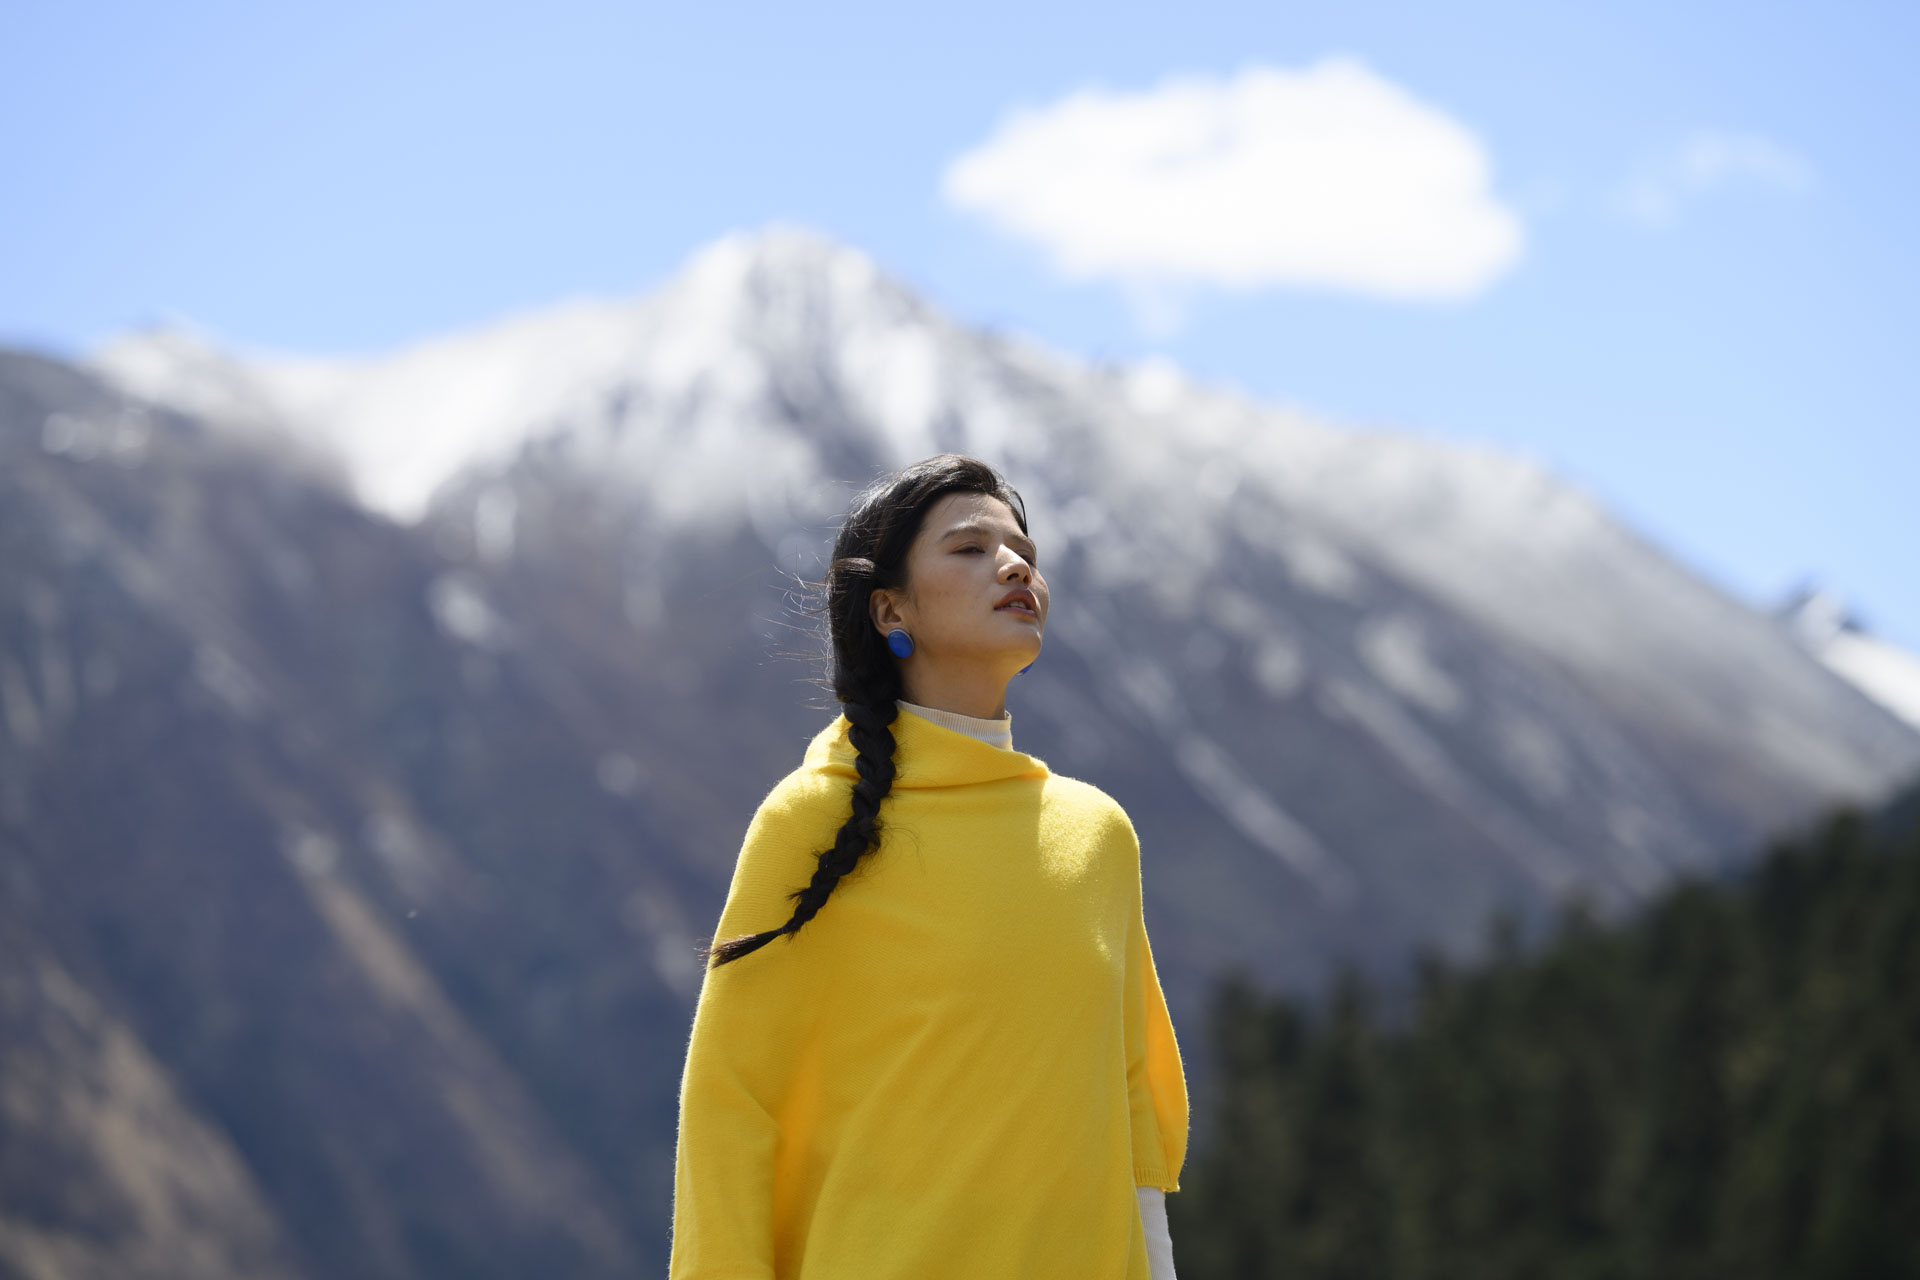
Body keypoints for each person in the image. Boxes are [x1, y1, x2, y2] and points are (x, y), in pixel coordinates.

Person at [668, 453, 1187, 1278]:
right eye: (970, 549)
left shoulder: (1097, 837)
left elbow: (1131, 1120)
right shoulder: (813, 820)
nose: (1015, 565)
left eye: (1024, 552)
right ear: (889, 608)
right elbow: (732, 1113)